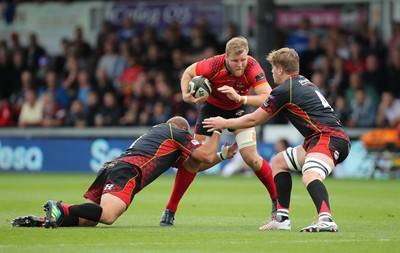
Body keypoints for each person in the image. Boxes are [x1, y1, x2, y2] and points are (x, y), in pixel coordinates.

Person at [203, 47, 351, 232]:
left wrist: (224, 122)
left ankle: (326, 219)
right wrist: (240, 99)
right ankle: (282, 218)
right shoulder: (302, 82)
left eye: (272, 68)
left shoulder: (284, 90)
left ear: (280, 70)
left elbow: (253, 119)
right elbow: (265, 104)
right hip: (320, 139)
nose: (271, 72)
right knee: (279, 161)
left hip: (328, 139)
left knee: (310, 175)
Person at [11, 116, 237, 228]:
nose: (187, 140)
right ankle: (59, 207)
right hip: (128, 171)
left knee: (90, 220)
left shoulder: (161, 140)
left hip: (112, 167)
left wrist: (222, 156)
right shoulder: (173, 131)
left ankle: (42, 221)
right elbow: (203, 155)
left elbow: (195, 166)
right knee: (108, 217)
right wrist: (216, 130)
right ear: (181, 130)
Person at [159, 36, 277, 226]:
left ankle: (277, 203)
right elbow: (189, 71)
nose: (240, 65)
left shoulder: (253, 67)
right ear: (226, 58)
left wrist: (240, 98)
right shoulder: (213, 65)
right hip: (212, 110)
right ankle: (170, 210)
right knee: (196, 160)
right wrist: (184, 94)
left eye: (243, 59)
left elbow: (267, 97)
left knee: (251, 158)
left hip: (240, 109)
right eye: (235, 60)